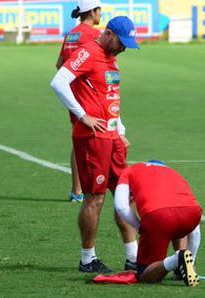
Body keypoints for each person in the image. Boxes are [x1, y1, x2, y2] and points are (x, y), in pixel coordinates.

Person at [50, 16, 140, 274]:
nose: (124, 48)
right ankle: (87, 258)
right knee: (95, 197)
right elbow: (58, 82)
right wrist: (82, 115)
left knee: (125, 195)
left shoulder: (112, 58)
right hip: (92, 138)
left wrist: (120, 130)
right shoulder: (88, 52)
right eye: (122, 42)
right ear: (108, 33)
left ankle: (133, 257)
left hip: (112, 138)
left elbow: (110, 97)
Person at [55, 0, 129, 203]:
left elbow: (60, 64)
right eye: (99, 11)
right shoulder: (94, 36)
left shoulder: (72, 34)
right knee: (91, 141)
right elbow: (101, 65)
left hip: (74, 95)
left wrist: (77, 85)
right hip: (91, 99)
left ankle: (76, 189)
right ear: (93, 11)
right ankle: (91, 188)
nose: (100, 15)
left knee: (78, 140)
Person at [113, 161, 202, 285]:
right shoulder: (173, 172)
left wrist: (140, 226)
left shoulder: (129, 171)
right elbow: (195, 231)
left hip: (158, 216)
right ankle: (183, 267)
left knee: (144, 275)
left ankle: (176, 259)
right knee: (176, 222)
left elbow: (121, 206)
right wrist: (191, 262)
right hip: (193, 214)